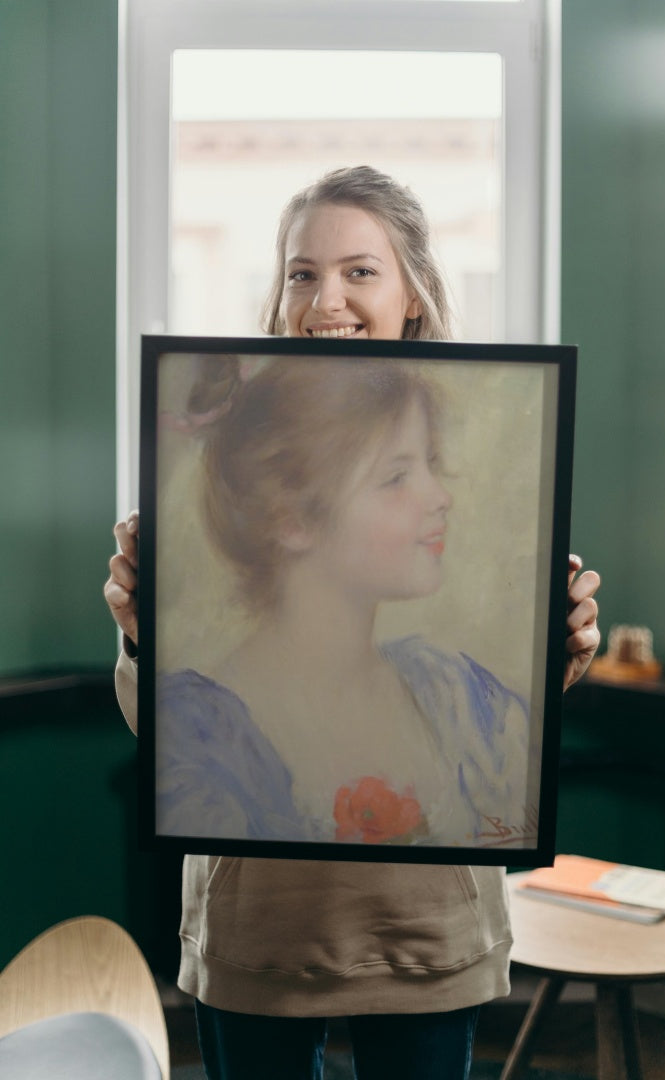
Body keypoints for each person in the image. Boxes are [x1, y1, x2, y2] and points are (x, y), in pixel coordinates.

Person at [105, 165, 601, 1080]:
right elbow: (166, 737)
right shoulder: (217, 707)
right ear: (290, 512)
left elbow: (513, 750)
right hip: (262, 936)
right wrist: (143, 631)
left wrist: (555, 650)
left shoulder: (452, 689)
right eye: (301, 272)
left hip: (425, 935)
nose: (324, 297)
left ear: (412, 291)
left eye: (359, 271)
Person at [155, 354, 534, 848]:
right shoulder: (209, 740)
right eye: (397, 477)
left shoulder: (455, 699)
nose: (441, 495)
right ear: (291, 519)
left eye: (431, 463)